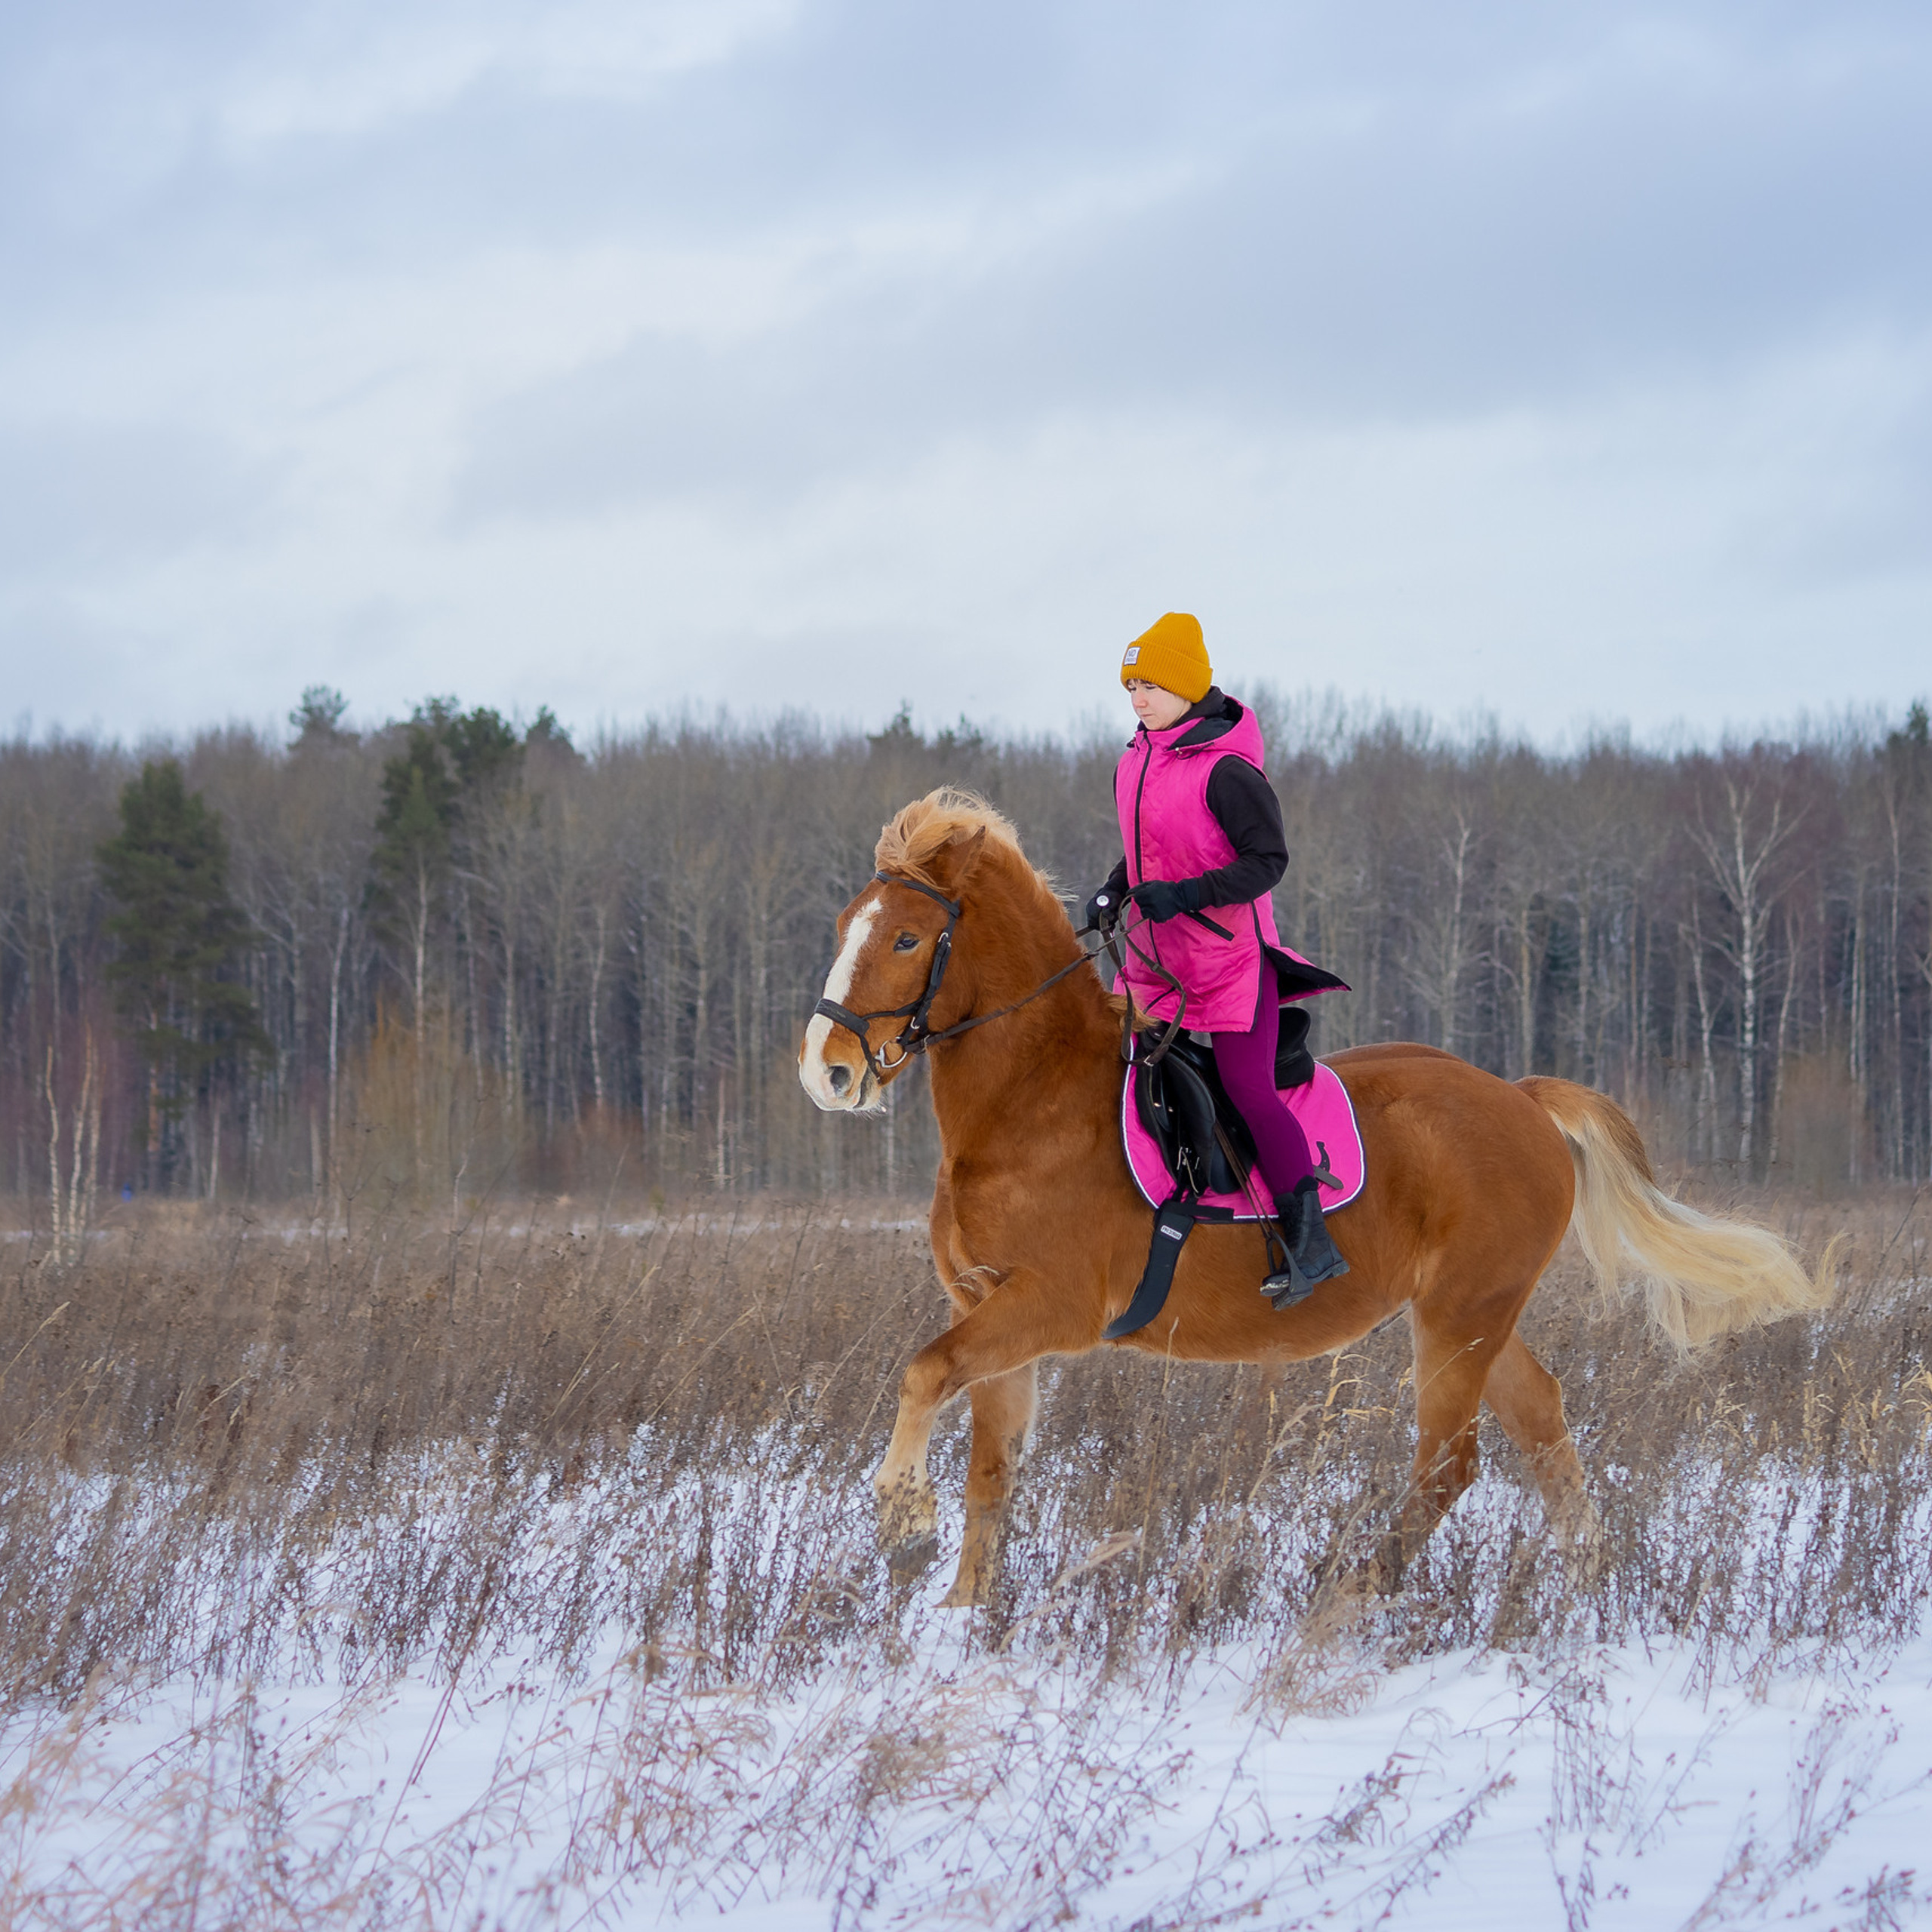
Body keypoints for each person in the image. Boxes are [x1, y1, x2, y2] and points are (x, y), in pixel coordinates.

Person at [1085, 611, 1350, 1306]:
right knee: (1109, 1073)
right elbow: (1144, 846)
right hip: (1155, 959)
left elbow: (1269, 862)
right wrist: (1115, 892)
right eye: (1129, 685)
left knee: (1248, 1089)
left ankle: (1312, 1246)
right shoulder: (1136, 756)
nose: (1135, 697)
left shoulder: (1228, 770)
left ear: (1184, 687)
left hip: (1231, 961)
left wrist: (1186, 894)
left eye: (1147, 684)